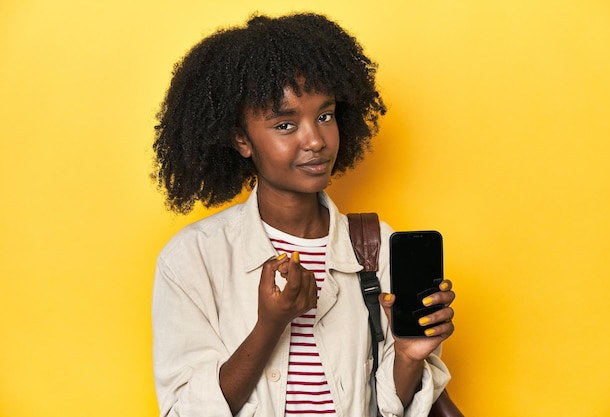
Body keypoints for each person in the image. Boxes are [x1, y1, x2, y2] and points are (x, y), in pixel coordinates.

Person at [151, 12, 455, 417]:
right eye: (285, 125)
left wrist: (408, 356)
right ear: (242, 139)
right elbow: (183, 411)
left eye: (325, 116)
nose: (315, 140)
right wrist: (269, 325)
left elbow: (388, 408)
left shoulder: (375, 246)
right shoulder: (192, 259)